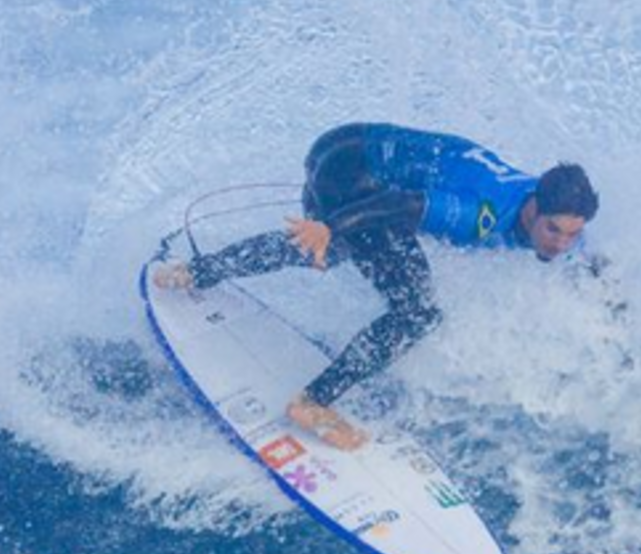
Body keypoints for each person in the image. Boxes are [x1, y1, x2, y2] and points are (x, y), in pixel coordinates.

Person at [153, 122, 597, 451]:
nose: (560, 245)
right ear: (533, 208)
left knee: (334, 249)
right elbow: (397, 205)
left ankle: (193, 273)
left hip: (349, 148)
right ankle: (313, 403)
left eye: (572, 234)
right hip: (348, 170)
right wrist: (328, 225)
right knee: (416, 312)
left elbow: (583, 255)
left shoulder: (561, 220)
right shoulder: (475, 211)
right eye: (554, 231)